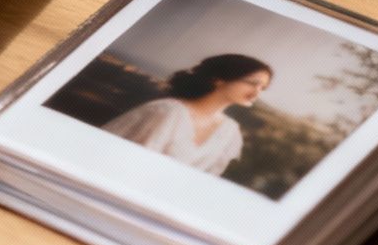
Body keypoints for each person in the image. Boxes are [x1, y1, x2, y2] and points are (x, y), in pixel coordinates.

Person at [100, 54, 272, 176]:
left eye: (262, 88)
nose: (256, 93)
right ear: (220, 79)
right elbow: (124, 164)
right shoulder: (167, 113)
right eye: (252, 83)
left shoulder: (229, 132)